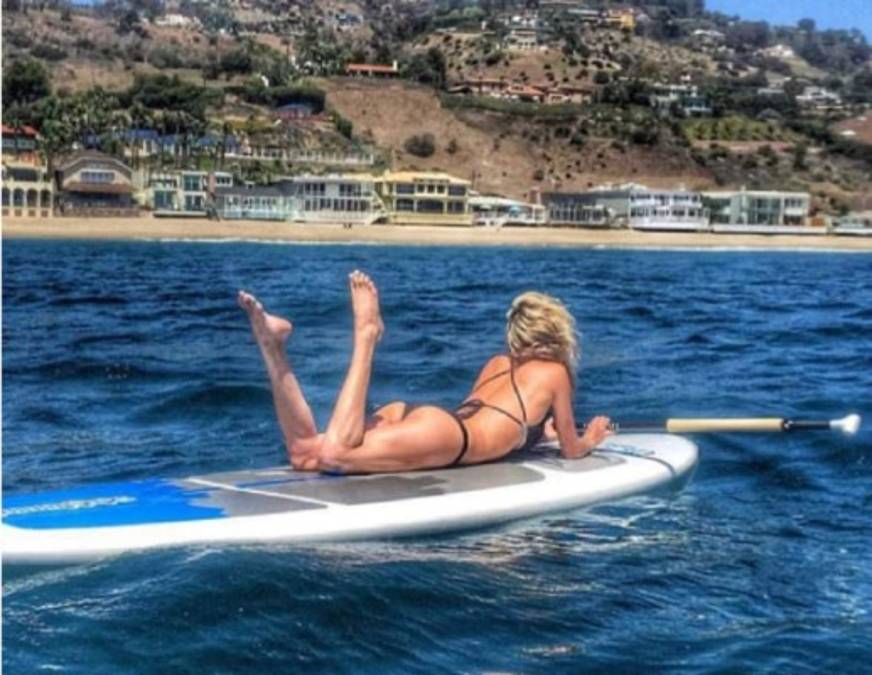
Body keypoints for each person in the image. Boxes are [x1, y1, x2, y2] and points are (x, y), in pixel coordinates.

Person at [238, 270, 611, 474]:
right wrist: (590, 439)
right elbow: (570, 450)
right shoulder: (556, 373)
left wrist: (540, 434)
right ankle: (367, 336)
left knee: (305, 454)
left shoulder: (498, 362)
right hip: (450, 439)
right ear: (557, 333)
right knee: (335, 453)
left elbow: (504, 420)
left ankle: (273, 346)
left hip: (429, 419)